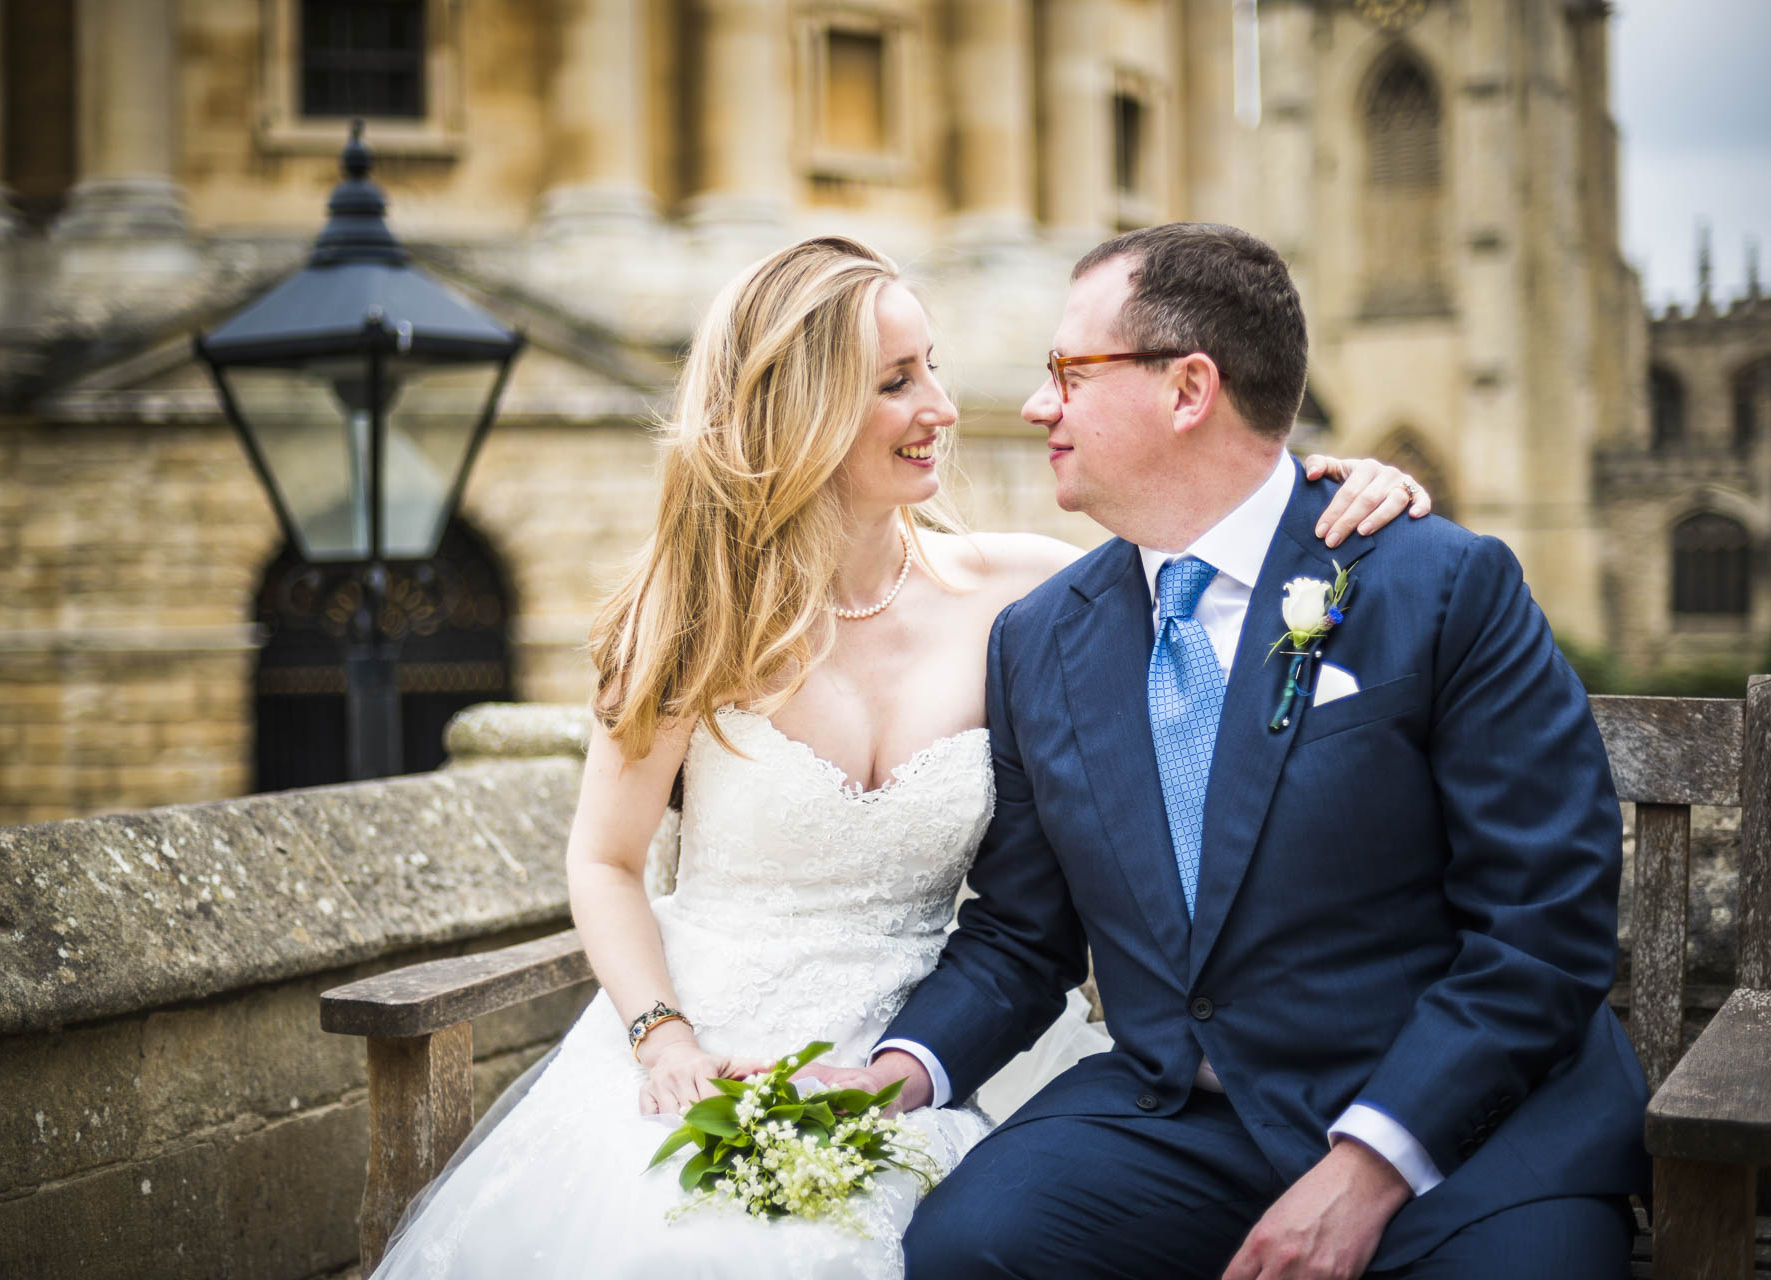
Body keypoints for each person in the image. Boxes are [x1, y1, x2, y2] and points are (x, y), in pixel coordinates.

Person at [366, 235, 1431, 1279]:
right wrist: (662, 1037)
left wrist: (1340, 489)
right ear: (801, 409)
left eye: (934, 369)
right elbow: (604, 860)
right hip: (710, 1045)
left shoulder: (1025, 596)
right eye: (895, 383)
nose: (943, 408)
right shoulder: (687, 625)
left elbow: (1219, 539)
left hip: (947, 1043)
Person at [815, 222, 1648, 1278]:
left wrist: (1369, 1164)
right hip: (1187, 1123)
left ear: (1188, 388)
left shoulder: (1439, 584)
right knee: (970, 1246)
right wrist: (900, 1070)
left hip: (1468, 1134)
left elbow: (1542, 926)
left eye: (1068, 371)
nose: (1037, 406)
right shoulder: (1040, 638)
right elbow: (1025, 938)